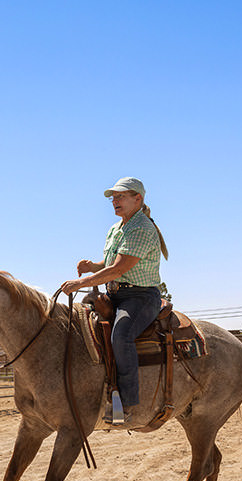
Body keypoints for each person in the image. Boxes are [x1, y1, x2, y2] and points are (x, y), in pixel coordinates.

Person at [60, 176, 167, 427]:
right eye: (113, 197)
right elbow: (109, 264)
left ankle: (127, 403)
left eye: (120, 196)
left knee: (121, 334)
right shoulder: (116, 228)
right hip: (115, 294)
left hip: (140, 297)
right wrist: (91, 266)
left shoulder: (141, 228)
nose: (115, 201)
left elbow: (119, 269)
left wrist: (80, 283)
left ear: (137, 199)